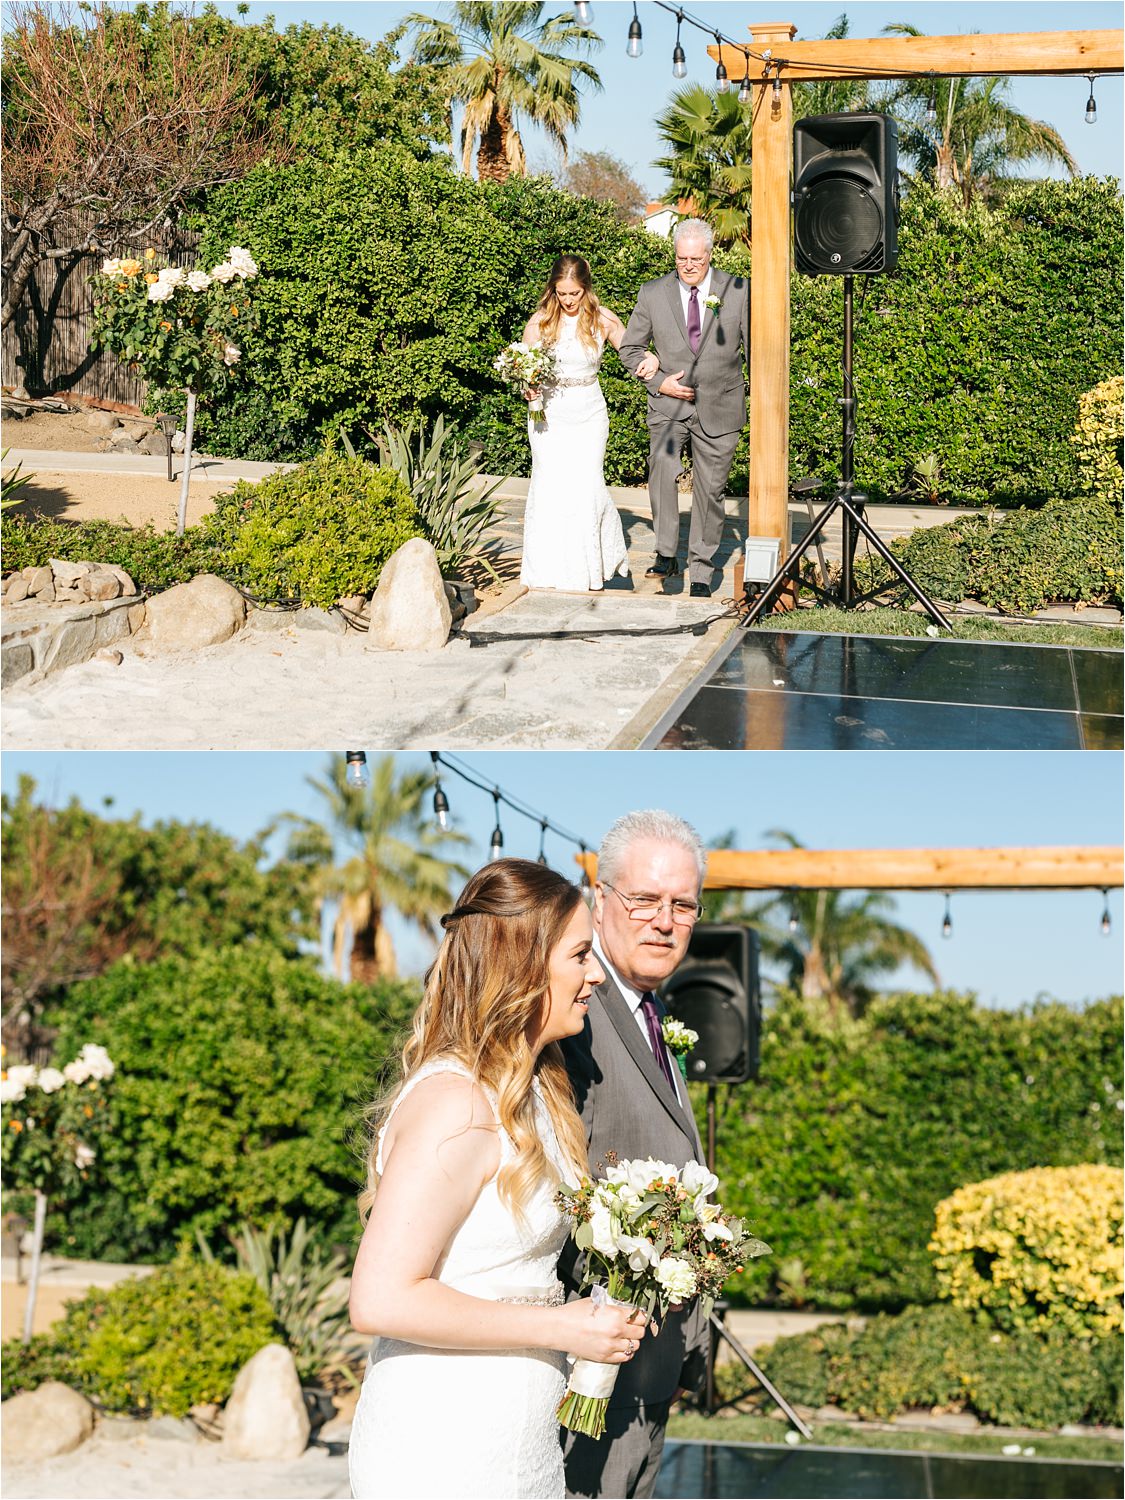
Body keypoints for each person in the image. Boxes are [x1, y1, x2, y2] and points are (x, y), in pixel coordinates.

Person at [347, 858, 648, 1500]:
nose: (596, 974)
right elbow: (380, 1299)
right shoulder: (457, 1102)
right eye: (580, 955)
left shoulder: (536, 1085)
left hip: (514, 1439)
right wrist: (563, 1326)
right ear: (523, 963)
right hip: (444, 1446)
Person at [558, 810, 710, 1500]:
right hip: (589, 1375)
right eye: (643, 899)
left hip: (649, 1376)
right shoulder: (573, 1017)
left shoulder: (655, 1017)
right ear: (599, 900)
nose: (663, 921)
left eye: (681, 905)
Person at [619, 219, 750, 598]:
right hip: (667, 407)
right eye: (681, 259)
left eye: (696, 258)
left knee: (710, 491)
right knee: (661, 468)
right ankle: (665, 553)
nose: (689, 265)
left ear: (710, 255)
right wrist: (659, 381)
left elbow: (755, 348)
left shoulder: (738, 290)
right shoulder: (652, 293)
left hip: (721, 406)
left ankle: (702, 570)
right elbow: (630, 349)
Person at [519, 255, 659, 592]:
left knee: (588, 486)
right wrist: (528, 386)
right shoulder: (539, 323)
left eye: (574, 293)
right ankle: (552, 569)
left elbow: (633, 352)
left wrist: (652, 358)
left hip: (588, 413)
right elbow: (525, 370)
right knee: (550, 487)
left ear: (586, 289)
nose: (568, 300)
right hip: (548, 415)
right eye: (562, 293)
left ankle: (599, 565)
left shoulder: (603, 320)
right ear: (553, 289)